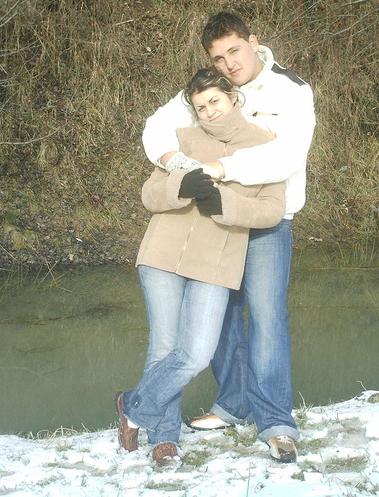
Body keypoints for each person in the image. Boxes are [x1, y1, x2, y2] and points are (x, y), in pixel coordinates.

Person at [141, 12, 315, 462]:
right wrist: (177, 164)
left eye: (234, 51)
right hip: (214, 224)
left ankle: (275, 422)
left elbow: (285, 157)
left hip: (267, 222)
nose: (229, 63)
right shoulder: (209, 88)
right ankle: (233, 405)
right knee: (220, 321)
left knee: (268, 321)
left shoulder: (291, 90)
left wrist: (218, 169)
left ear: (253, 42)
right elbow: (156, 128)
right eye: (218, 58)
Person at [115, 68, 286, 465]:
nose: (209, 112)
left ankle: (133, 407)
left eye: (215, 101)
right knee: (164, 348)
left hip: (217, 263)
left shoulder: (265, 145)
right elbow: (150, 195)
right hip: (163, 255)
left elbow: (272, 210)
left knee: (195, 354)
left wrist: (227, 205)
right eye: (201, 107)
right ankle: (165, 438)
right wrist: (180, 187)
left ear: (233, 97)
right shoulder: (183, 140)